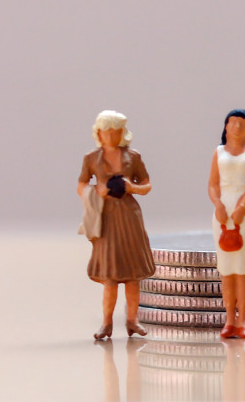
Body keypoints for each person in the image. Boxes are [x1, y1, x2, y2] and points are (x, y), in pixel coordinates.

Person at [77, 110, 156, 340]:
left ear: (122, 133)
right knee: (110, 277)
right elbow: (81, 184)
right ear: (98, 133)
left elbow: (147, 184)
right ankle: (106, 323)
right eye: (105, 132)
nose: (110, 136)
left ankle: (133, 321)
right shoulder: (91, 158)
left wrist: (133, 188)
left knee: (133, 276)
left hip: (129, 218)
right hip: (106, 218)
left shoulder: (134, 157)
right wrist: (95, 191)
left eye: (114, 132)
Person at [208, 109, 245, 339]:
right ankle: (229, 318)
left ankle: (243, 321)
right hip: (222, 215)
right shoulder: (218, 152)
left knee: (243, 270)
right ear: (225, 127)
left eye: (242, 124)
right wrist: (218, 205)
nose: (237, 128)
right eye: (233, 123)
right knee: (226, 270)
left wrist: (242, 207)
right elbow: (212, 184)